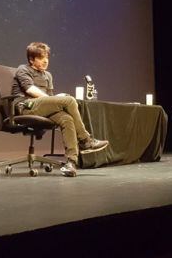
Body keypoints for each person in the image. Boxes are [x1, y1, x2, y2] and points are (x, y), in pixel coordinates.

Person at [12, 42, 108, 177]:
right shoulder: (23, 69)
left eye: (47, 57)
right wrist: (55, 99)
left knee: (67, 119)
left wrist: (55, 98)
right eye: (41, 58)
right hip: (26, 106)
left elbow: (49, 98)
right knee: (69, 100)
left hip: (42, 107)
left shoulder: (47, 75)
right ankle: (86, 140)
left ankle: (71, 163)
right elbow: (30, 89)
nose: (45, 60)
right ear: (31, 59)